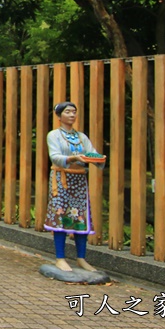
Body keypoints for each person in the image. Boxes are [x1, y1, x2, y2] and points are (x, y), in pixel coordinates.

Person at [45, 101, 103, 272]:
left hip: (79, 181)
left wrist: (98, 158)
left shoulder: (81, 137)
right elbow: (55, 157)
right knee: (60, 215)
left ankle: (81, 258)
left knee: (80, 217)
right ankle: (60, 258)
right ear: (59, 115)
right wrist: (73, 158)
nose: (72, 115)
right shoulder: (53, 135)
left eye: (74, 112)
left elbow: (91, 152)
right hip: (61, 179)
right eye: (68, 112)